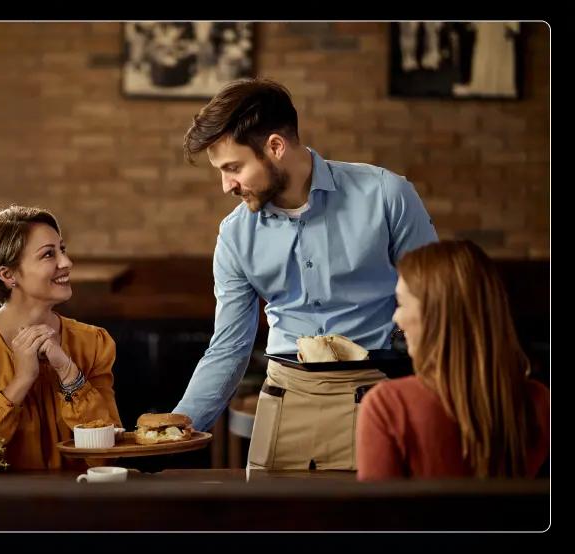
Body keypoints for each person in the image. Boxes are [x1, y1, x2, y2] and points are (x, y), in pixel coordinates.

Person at [174, 77, 438, 470]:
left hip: (381, 396)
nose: (226, 185)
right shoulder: (234, 235)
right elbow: (229, 346)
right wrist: (176, 428)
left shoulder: (387, 195)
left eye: (233, 167)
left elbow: (440, 305)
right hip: (283, 400)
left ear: (275, 147)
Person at [0, 205, 121, 470]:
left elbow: (106, 457)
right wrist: (20, 382)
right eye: (48, 254)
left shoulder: (93, 342)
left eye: (62, 250)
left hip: (78, 504)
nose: (66, 263)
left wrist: (68, 373)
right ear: (8, 275)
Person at [356, 240, 549, 480]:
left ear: (436, 315)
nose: (396, 317)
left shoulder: (387, 407)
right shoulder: (540, 403)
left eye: (402, 303)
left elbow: (375, 517)